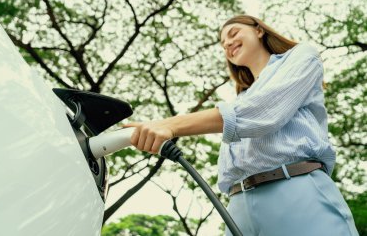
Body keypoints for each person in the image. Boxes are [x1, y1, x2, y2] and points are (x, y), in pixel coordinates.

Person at [123, 15, 359, 236]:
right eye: (222, 43)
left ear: (258, 30)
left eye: (233, 33)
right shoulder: (238, 100)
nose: (227, 43)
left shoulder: (301, 55)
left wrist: (169, 125)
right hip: (237, 206)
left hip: (295, 190)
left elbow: (263, 111)